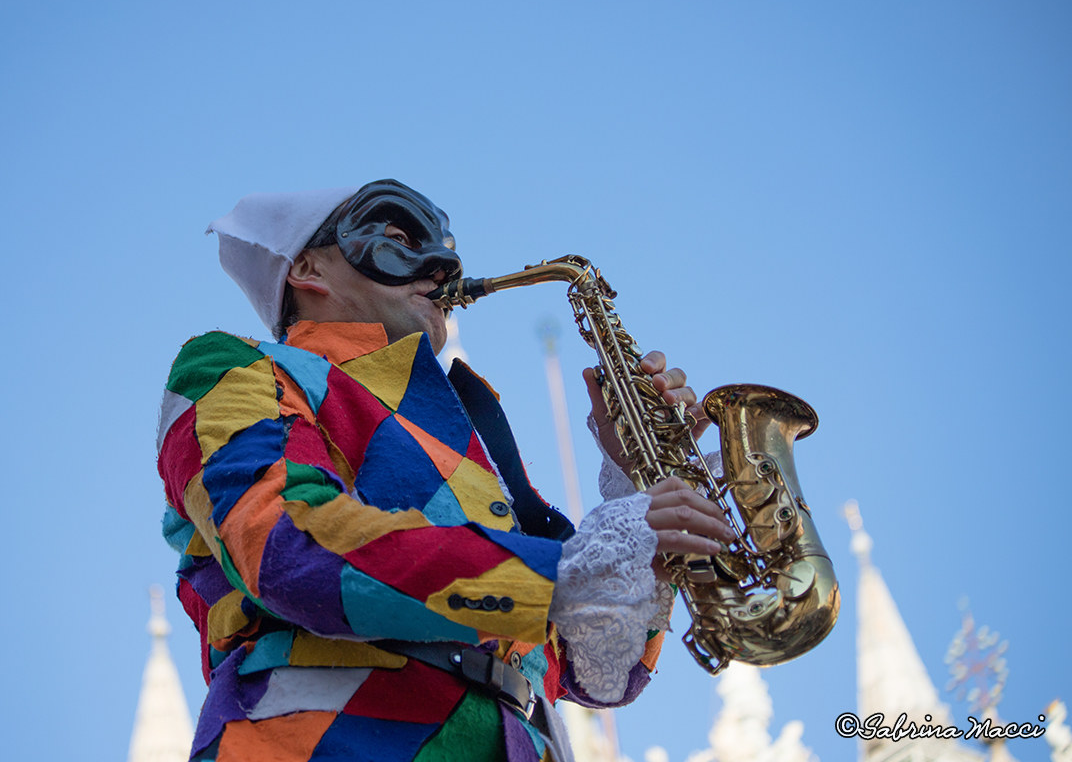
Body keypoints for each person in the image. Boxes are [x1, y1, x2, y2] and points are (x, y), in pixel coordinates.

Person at [156, 179, 733, 762]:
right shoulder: (235, 366)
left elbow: (598, 674)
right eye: (400, 237)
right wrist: (566, 569)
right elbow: (286, 549)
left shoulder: (468, 425)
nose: (444, 262)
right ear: (308, 268)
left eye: (445, 243)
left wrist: (634, 484)